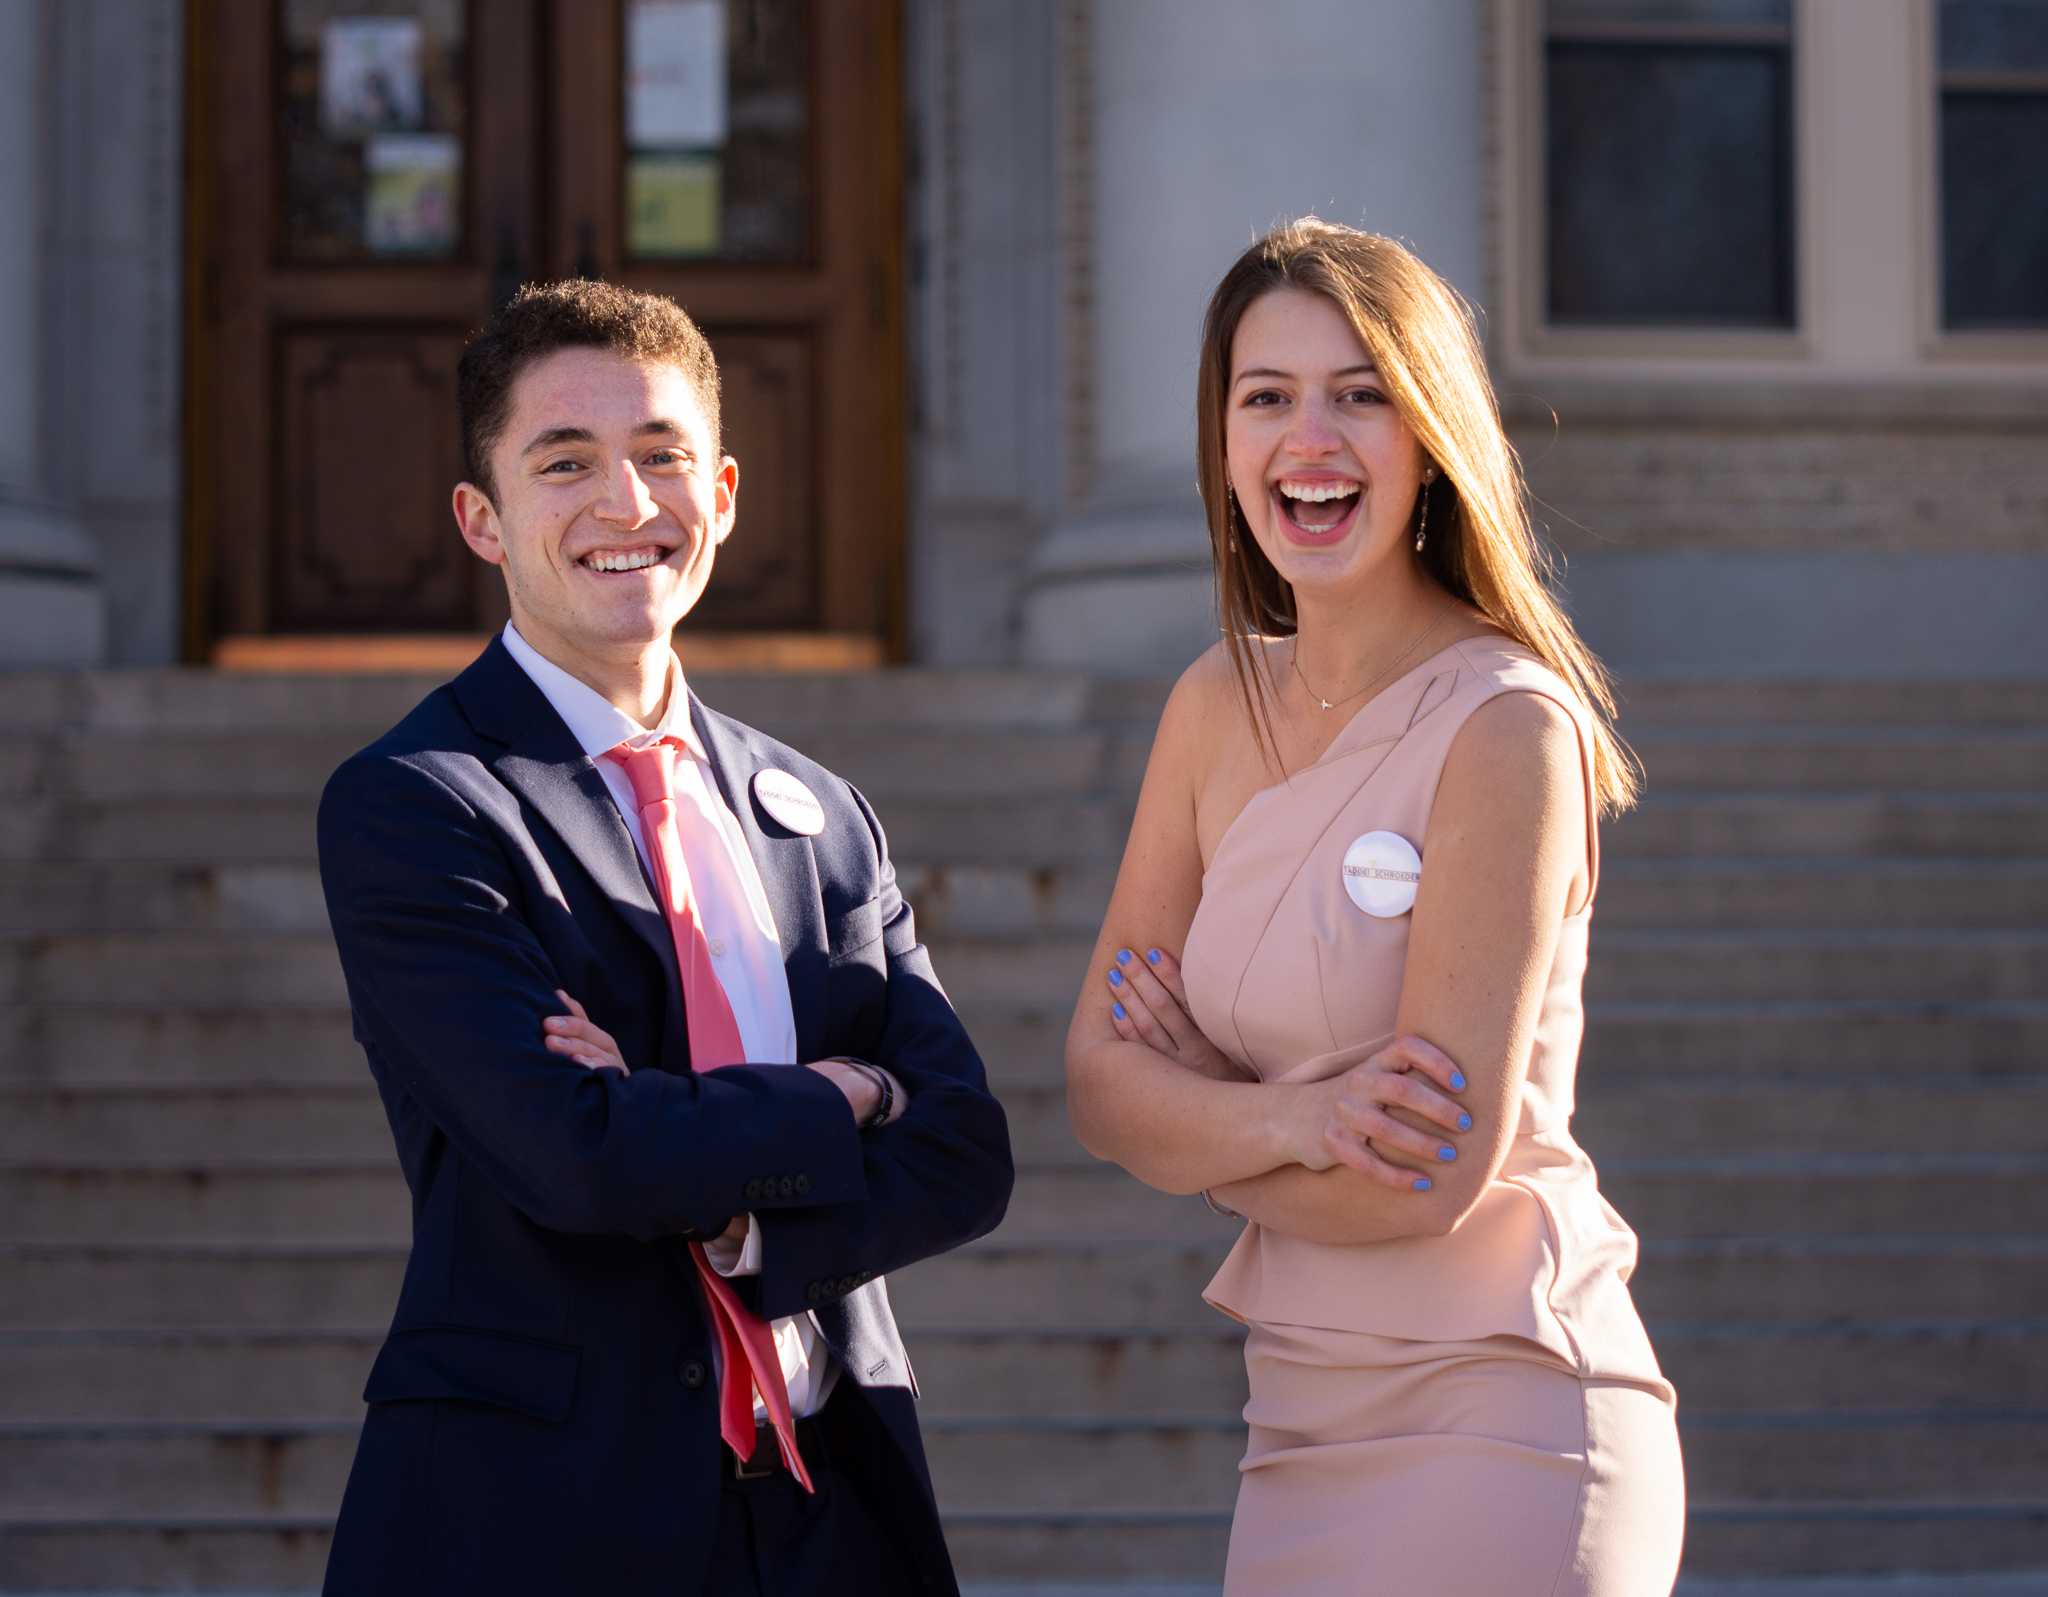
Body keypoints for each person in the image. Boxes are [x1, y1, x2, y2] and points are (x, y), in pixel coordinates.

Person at [317, 279, 1013, 1597]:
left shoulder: (820, 817)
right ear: (483, 516)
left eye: (661, 457)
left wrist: (733, 1204)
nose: (626, 505)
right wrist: (838, 1095)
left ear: (727, 492)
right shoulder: (418, 803)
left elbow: (965, 1151)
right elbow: (573, 1158)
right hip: (536, 1525)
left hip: (828, 1515)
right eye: (564, 463)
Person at [1063, 219, 1684, 1593]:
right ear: (1224, 440)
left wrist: (1200, 1115)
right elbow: (1101, 1084)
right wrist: (1289, 1115)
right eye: (1267, 396)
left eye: (1363, 394)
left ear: (1430, 436)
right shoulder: (1210, 703)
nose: (1312, 440)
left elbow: (1421, 1170)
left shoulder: (1510, 725)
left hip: (1509, 1414)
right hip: (1293, 1430)